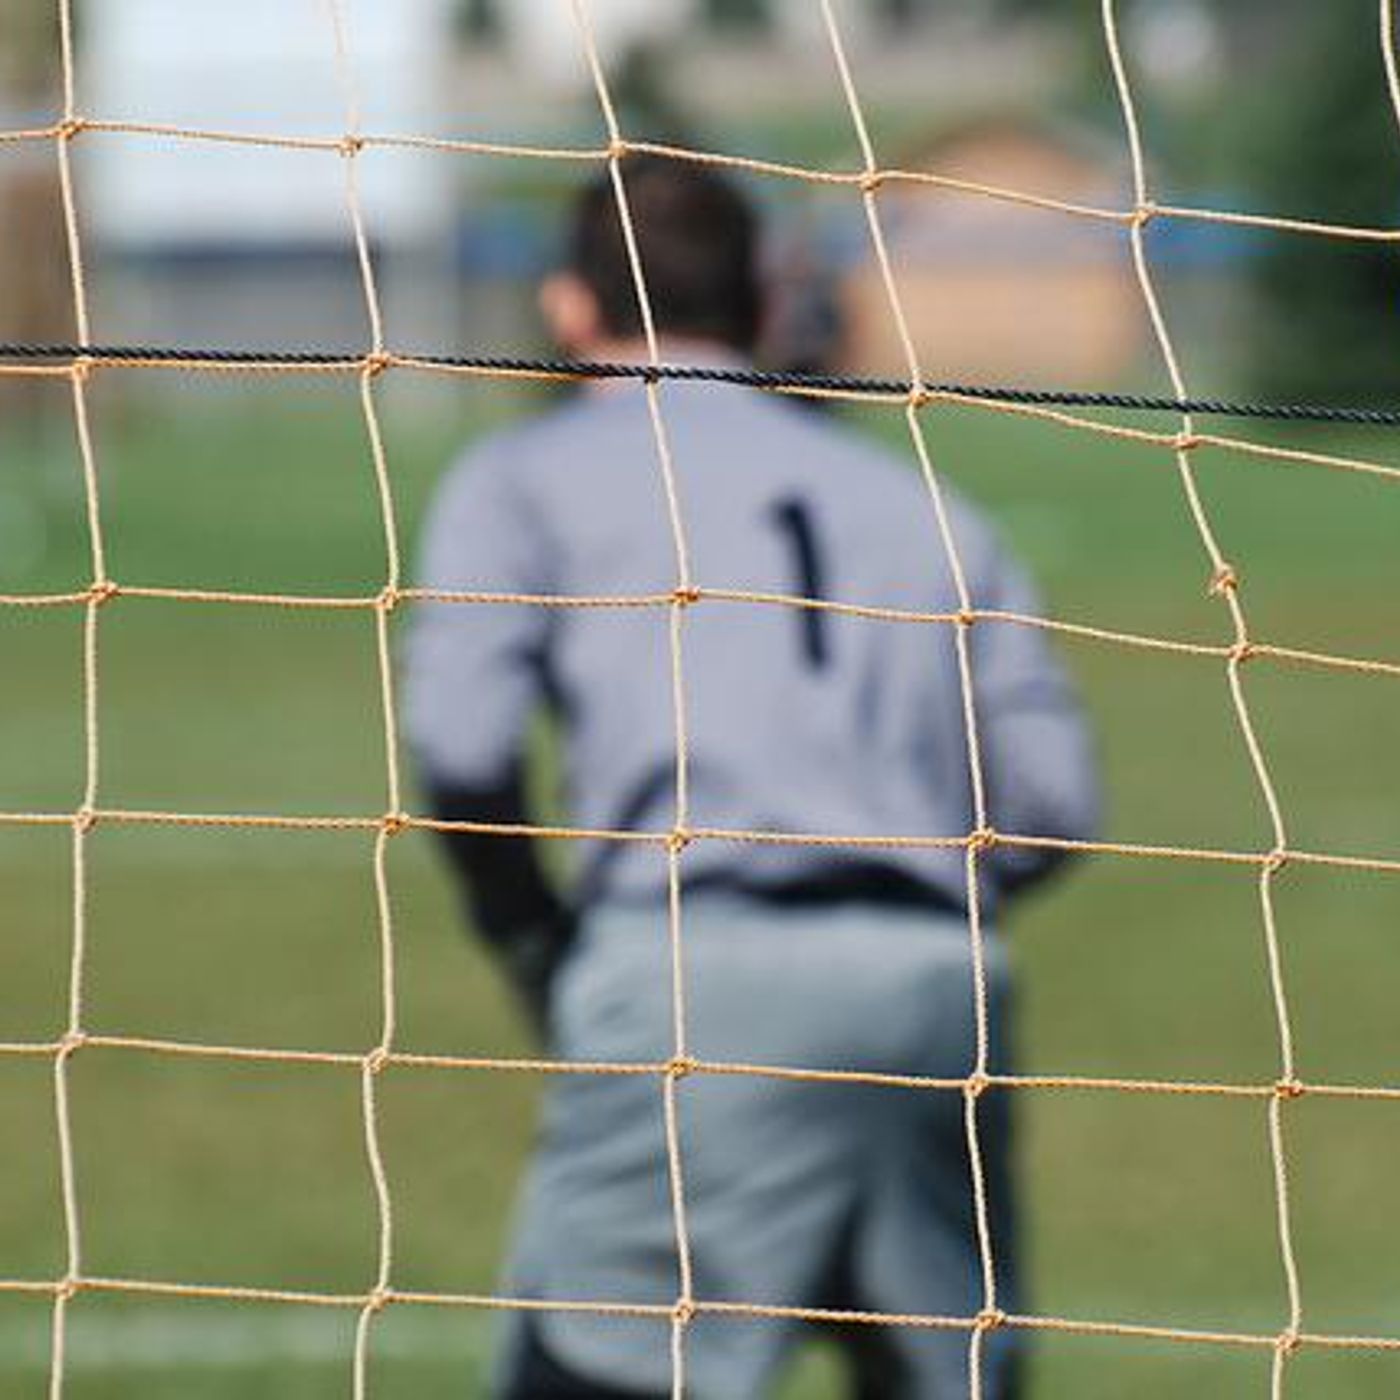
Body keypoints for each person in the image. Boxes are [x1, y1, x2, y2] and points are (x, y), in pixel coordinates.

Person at [403, 157, 1098, 1400]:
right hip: (934, 992)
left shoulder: (520, 478)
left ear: (566, 308)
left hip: (689, 976)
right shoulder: (922, 503)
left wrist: (532, 936)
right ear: (766, 307)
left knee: (601, 1367)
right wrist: (894, 892)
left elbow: (460, 744)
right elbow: (1050, 802)